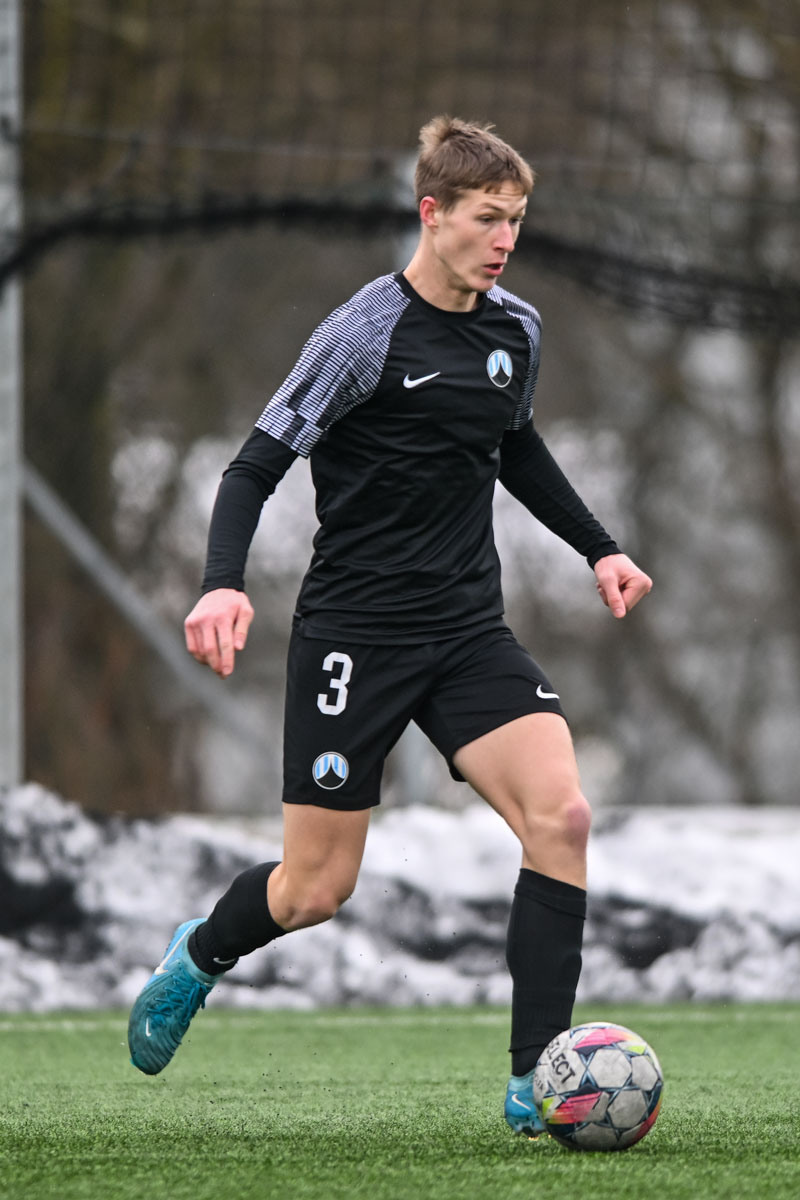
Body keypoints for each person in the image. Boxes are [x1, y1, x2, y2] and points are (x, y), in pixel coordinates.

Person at [127, 115, 652, 1138]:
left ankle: (535, 1079)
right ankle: (201, 952)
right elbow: (253, 465)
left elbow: (513, 446)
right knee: (313, 889)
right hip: (352, 638)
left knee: (562, 820)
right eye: (487, 218)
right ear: (432, 214)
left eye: (516, 220)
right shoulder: (362, 332)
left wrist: (599, 548)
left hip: (466, 632)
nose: (505, 239)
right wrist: (222, 584)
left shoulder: (516, 329)